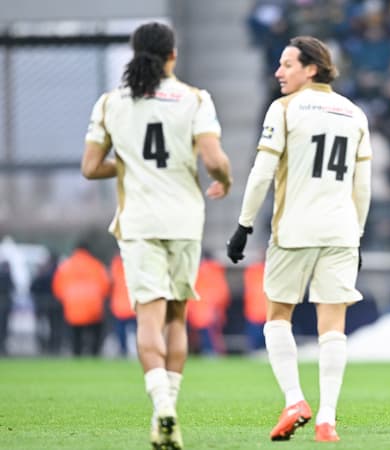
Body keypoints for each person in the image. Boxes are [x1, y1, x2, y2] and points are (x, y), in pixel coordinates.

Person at [81, 21, 232, 449]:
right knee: (176, 317)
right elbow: (214, 157)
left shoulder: (111, 103)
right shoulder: (195, 99)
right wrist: (226, 179)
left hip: (139, 224)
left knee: (148, 316)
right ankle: (171, 407)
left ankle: (160, 405)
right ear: (173, 56)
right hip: (184, 222)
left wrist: (129, 163)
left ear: (134, 53)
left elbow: (90, 167)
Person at [225, 35, 371, 443]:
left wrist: (244, 224)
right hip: (342, 230)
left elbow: (261, 173)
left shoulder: (284, 109)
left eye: (287, 64)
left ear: (311, 68)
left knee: (277, 316)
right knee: (333, 326)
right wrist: (356, 235)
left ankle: (294, 400)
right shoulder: (354, 113)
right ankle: (327, 418)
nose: (278, 72)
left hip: (295, 230)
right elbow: (363, 186)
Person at [51, 242, 111, 357]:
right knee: (95, 333)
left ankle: (76, 354)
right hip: (93, 307)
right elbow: (105, 286)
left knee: (75, 335)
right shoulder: (96, 265)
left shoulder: (66, 266)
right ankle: (94, 354)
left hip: (72, 307)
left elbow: (57, 287)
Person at [186, 253, 230, 355]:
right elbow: (223, 294)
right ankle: (212, 352)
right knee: (213, 334)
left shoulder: (202, 272)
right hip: (207, 309)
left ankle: (212, 352)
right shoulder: (216, 272)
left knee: (209, 334)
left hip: (202, 309)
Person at [110, 253, 137, 357]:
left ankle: (123, 350)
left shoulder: (116, 266)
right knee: (138, 330)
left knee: (121, 331)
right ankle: (138, 350)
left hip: (120, 306)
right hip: (135, 305)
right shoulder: (137, 265)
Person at [242, 259, 268, 353]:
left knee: (262, 335)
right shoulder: (254, 271)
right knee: (259, 336)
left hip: (260, 312)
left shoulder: (252, 271)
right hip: (259, 312)